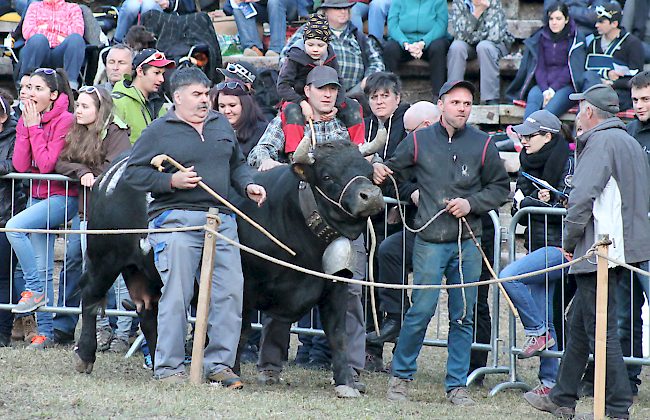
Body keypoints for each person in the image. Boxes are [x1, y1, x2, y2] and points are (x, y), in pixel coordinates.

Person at [124, 67, 266, 386]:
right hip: (175, 217)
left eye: (206, 94)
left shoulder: (219, 124)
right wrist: (169, 180)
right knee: (177, 293)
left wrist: (247, 186)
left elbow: (237, 164)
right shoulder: (160, 130)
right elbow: (132, 173)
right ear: (177, 97)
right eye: (197, 95)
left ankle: (219, 364)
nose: (205, 101)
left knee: (230, 292)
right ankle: (169, 368)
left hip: (221, 219)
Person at [373, 80, 510, 405]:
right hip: (430, 242)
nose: (462, 108)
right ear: (442, 105)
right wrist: (381, 169)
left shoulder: (483, 143)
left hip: (467, 242)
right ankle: (401, 380)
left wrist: (472, 204)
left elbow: (500, 187)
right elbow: (393, 171)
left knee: (463, 317)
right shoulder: (419, 141)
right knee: (421, 311)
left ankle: (457, 387)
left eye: (466, 103)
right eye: (455, 102)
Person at [525, 84, 650, 420]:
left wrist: (568, 243)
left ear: (591, 112)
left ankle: (618, 406)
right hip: (623, 249)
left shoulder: (600, 141)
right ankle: (562, 397)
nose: (577, 113)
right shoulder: (629, 142)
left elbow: (581, 199)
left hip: (600, 249)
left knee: (600, 331)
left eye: (580, 108)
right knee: (579, 323)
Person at [499, 110, 574, 399]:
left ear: (548, 136)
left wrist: (552, 199)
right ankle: (549, 382)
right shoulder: (527, 162)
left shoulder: (567, 160)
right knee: (549, 317)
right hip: (537, 243)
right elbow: (518, 204)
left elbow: (572, 204)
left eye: (530, 136)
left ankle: (537, 331)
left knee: (509, 276)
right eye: (523, 135)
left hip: (562, 247)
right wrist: (530, 201)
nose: (524, 140)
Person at [55, 86, 132, 352]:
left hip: (115, 215)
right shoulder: (77, 131)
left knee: (119, 275)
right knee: (87, 268)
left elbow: (118, 166)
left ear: (100, 111)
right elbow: (61, 162)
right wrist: (82, 170)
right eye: (78, 105)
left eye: (85, 107)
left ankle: (122, 332)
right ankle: (96, 328)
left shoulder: (116, 132)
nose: (78, 111)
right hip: (87, 211)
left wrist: (94, 173)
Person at [5, 68, 78, 350]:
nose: (30, 93)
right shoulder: (28, 117)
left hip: (62, 198)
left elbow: (47, 165)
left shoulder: (67, 120)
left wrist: (34, 128)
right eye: (29, 87)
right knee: (44, 265)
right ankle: (45, 333)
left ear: (53, 95)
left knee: (14, 227)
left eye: (37, 88)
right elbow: (21, 166)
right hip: (38, 197)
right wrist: (27, 126)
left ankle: (33, 289)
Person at [364, 101, 440, 372]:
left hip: (455, 234)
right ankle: (394, 318)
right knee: (388, 250)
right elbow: (395, 177)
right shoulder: (412, 146)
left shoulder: (461, 144)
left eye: (409, 131)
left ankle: (469, 366)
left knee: (443, 305)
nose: (405, 137)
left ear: (427, 126)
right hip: (417, 230)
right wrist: (380, 171)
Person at [277, 13, 364, 154]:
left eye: (321, 45)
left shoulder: (330, 56)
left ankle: (359, 148)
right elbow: (282, 86)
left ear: (328, 44)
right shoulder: (294, 57)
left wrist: (336, 106)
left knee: (354, 106)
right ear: (304, 41)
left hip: (323, 94)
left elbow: (339, 82)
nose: (315, 49)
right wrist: (302, 103)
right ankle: (295, 152)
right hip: (297, 97)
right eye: (310, 45)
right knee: (292, 111)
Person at [248, 66, 364, 170]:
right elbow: (259, 151)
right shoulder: (289, 118)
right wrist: (267, 161)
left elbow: (366, 149)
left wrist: (376, 163)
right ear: (307, 91)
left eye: (333, 89)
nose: (328, 94)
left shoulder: (345, 120)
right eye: (321, 88)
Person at [615, 70, 650, 402]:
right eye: (635, 99)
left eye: (645, 99)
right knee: (625, 313)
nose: (639, 105)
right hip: (628, 235)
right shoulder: (627, 133)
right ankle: (627, 381)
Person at [281, 0, 386, 107]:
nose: (343, 12)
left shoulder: (359, 37)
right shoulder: (310, 31)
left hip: (355, 94)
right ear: (325, 11)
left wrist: (369, 78)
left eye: (346, 8)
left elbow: (377, 62)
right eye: (337, 8)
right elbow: (286, 56)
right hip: (314, 95)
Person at [506, 2, 586, 118]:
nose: (554, 22)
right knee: (533, 99)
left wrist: (553, 90)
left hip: (566, 86)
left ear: (566, 19)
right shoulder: (541, 37)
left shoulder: (575, 38)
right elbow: (539, 66)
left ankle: (538, 134)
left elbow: (570, 68)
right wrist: (545, 90)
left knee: (549, 110)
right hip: (543, 84)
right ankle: (525, 133)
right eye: (551, 19)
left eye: (558, 19)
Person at [0, 91, 27, 347]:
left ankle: (2, 334)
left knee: (3, 278)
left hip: (5, 214)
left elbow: (15, 166)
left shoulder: (15, 133)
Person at [447, 0, 513, 105]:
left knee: (483, 46)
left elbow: (494, 35)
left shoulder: (493, 2)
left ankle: (490, 99)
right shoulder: (459, 2)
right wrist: (477, 12)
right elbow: (459, 35)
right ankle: (454, 96)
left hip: (493, 45)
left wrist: (469, 35)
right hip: (470, 46)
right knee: (457, 47)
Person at [383, 0, 450, 101]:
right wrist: (405, 43)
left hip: (430, 42)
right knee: (389, 48)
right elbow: (393, 25)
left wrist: (423, 43)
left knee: (439, 47)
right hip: (405, 43)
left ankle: (438, 95)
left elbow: (441, 25)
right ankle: (391, 94)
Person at [582, 2, 643, 112]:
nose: (596, 25)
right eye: (596, 21)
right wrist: (605, 75)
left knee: (594, 108)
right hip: (594, 92)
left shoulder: (632, 44)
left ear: (614, 23)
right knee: (589, 103)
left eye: (601, 22)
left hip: (619, 95)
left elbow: (638, 80)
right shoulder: (593, 44)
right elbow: (587, 72)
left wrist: (612, 83)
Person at [17, 0, 86, 90]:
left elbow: (78, 30)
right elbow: (28, 31)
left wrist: (45, 27)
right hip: (38, 50)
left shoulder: (73, 8)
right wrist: (59, 36)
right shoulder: (34, 6)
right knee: (38, 39)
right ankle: (26, 85)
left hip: (61, 52)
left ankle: (70, 89)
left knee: (76, 39)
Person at [112, 49, 174, 144]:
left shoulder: (158, 104)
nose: (161, 79)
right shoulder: (118, 102)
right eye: (156, 73)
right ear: (140, 71)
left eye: (163, 74)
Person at [210, 80, 268, 159]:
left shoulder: (262, 131)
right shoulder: (210, 131)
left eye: (232, 105)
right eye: (222, 106)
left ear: (245, 105)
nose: (227, 111)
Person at [112, 0, 195, 44]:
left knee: (148, 5)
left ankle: (142, 43)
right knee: (131, 5)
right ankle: (117, 43)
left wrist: (169, 3)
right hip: (134, 4)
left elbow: (189, 5)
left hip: (163, 12)